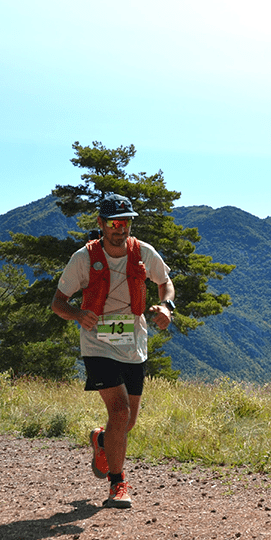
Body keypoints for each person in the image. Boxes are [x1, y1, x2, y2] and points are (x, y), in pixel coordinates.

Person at [51, 193, 175, 508]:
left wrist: (166, 305)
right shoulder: (83, 258)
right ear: (101, 224)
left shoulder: (143, 253)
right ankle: (117, 485)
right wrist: (78, 315)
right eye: (114, 223)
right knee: (118, 412)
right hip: (97, 343)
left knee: (127, 421)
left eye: (126, 222)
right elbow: (58, 304)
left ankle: (102, 441)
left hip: (133, 342)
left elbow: (166, 283)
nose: (120, 229)